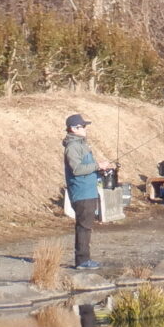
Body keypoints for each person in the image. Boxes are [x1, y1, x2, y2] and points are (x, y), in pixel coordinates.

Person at [62, 113, 112, 270]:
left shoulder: (82, 146)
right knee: (84, 227)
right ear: (73, 128)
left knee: (86, 226)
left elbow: (87, 169)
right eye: (83, 126)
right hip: (81, 192)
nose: (85, 129)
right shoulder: (72, 147)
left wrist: (100, 171)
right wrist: (98, 166)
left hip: (88, 191)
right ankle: (82, 261)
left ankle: (84, 259)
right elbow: (77, 170)